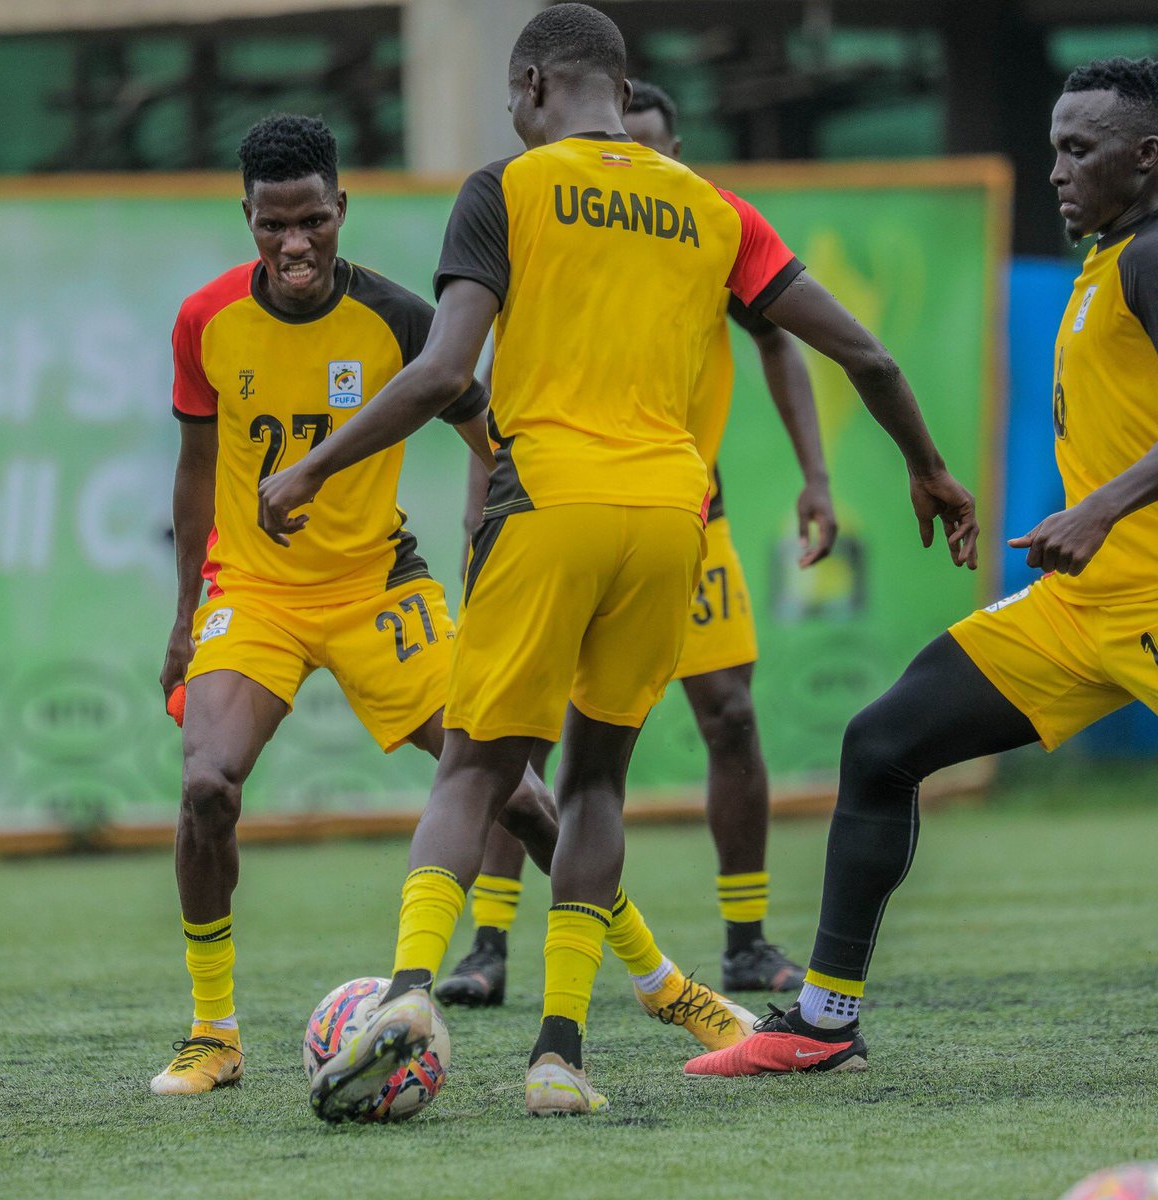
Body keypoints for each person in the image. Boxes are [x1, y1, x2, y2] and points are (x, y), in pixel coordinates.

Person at [257, 3, 975, 1118]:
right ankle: (559, 1059)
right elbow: (868, 357)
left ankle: (406, 993)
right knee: (597, 781)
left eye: (512, 97)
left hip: (548, 500)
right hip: (672, 515)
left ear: (536, 85)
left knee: (476, 770)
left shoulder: (507, 186)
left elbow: (445, 373)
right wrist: (929, 469)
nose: (513, 113)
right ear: (621, 88)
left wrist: (309, 469)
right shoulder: (713, 208)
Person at [150, 112, 747, 1098]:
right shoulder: (204, 320)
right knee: (206, 786)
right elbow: (195, 471)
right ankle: (215, 1033)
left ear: (341, 208)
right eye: (272, 224)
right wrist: (185, 619)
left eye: (311, 221)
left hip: (380, 589)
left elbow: (491, 434)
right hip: (252, 593)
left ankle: (663, 983)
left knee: (521, 797)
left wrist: (522, 539)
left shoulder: (399, 318)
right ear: (246, 216)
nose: (294, 244)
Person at [685, 56, 1158, 1081]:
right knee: (883, 743)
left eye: (1081, 150)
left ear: (1147, 157)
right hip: (1082, 608)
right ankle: (823, 1022)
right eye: (1054, 150)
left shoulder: (1153, 258)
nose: (1058, 171)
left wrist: (1101, 507)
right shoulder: (1106, 259)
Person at [437, 79, 837, 1010]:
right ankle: (489, 944)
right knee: (517, 732)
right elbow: (479, 376)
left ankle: (745, 942)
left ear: (674, 150)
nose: (634, 163)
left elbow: (784, 340)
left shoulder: (701, 229)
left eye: (653, 148)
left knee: (729, 716)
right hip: (554, 505)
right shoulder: (556, 224)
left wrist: (816, 477)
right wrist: (479, 507)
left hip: (684, 514)